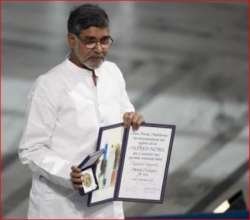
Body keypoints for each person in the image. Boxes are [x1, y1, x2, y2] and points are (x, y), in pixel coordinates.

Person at [18, 4, 144, 218]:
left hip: (106, 202)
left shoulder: (112, 72)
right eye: (90, 41)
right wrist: (68, 173)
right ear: (71, 40)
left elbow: (125, 112)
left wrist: (133, 119)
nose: (99, 48)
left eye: (105, 40)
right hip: (61, 206)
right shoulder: (49, 85)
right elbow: (31, 149)